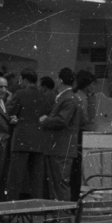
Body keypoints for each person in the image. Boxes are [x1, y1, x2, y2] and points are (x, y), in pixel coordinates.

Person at [40, 70, 93, 200]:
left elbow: (63, 120)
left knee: (60, 183)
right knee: (57, 183)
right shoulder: (70, 98)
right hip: (61, 148)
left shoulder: (68, 98)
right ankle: (59, 214)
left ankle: (63, 215)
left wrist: (45, 120)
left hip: (61, 148)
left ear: (60, 80)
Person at [5, 70, 53, 199]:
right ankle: (37, 207)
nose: (19, 83)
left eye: (20, 80)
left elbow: (10, 113)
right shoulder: (44, 96)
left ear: (25, 80)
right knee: (37, 179)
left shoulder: (19, 94)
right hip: (39, 141)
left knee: (15, 177)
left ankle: (11, 206)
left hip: (21, 139)